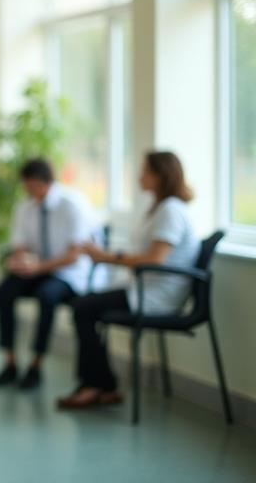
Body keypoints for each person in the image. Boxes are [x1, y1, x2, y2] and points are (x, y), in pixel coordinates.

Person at [58, 151, 200, 410]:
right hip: (145, 288)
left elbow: (155, 259)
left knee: (83, 307)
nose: (139, 176)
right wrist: (105, 256)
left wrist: (107, 257)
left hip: (156, 295)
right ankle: (100, 384)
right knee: (86, 307)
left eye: (145, 171)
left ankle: (96, 385)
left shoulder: (170, 211)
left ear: (161, 176)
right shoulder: (159, 208)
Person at [0, 158, 96, 390]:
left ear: (43, 182)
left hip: (68, 275)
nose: (27, 190)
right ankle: (10, 363)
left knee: (47, 296)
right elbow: (20, 244)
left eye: (30, 185)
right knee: (9, 291)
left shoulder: (72, 205)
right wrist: (20, 260)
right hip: (38, 269)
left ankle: (35, 364)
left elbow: (74, 255)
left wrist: (39, 267)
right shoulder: (26, 206)